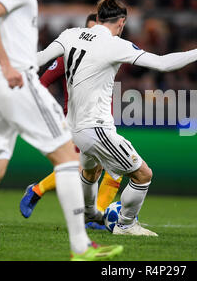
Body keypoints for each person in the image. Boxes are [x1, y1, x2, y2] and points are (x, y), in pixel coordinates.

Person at [0, 0, 122, 260]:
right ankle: (81, 246)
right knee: (67, 157)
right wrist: (8, 66)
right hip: (16, 81)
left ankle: (81, 243)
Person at [37, 0, 197, 236]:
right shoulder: (116, 44)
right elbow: (163, 63)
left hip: (74, 129)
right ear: (121, 23)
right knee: (143, 175)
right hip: (96, 128)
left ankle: (89, 212)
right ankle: (126, 224)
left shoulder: (69, 35)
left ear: (99, 17)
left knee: (90, 171)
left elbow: (37, 59)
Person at [20, 14, 123, 229]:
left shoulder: (111, 51)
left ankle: (97, 215)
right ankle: (38, 191)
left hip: (103, 121)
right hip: (79, 122)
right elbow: (43, 82)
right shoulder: (68, 55)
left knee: (110, 169)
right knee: (84, 167)